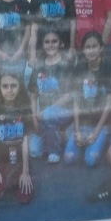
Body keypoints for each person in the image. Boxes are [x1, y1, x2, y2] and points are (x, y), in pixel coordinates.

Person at [0, 69, 34, 204]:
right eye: (5, 86)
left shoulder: (24, 108)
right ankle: (5, 179)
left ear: (20, 87)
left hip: (18, 161)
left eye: (13, 86)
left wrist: (26, 172)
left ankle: (14, 181)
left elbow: (25, 141)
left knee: (25, 196)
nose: (9, 90)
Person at [64, 30, 111, 167]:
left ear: (101, 48)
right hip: (83, 123)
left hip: (101, 124)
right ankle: (84, 141)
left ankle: (105, 138)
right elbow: (76, 102)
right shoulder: (79, 70)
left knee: (90, 161)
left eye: (94, 46)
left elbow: (108, 104)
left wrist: (96, 133)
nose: (91, 51)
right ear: (83, 50)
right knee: (69, 158)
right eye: (88, 47)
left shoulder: (110, 70)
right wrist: (77, 131)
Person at [28, 28, 73, 163]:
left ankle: (54, 151)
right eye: (47, 42)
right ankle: (58, 136)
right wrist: (34, 118)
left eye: (54, 41)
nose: (51, 45)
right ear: (42, 45)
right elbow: (33, 95)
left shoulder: (65, 65)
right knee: (34, 151)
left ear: (60, 43)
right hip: (42, 116)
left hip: (63, 111)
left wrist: (47, 111)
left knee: (49, 116)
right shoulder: (38, 67)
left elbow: (68, 95)